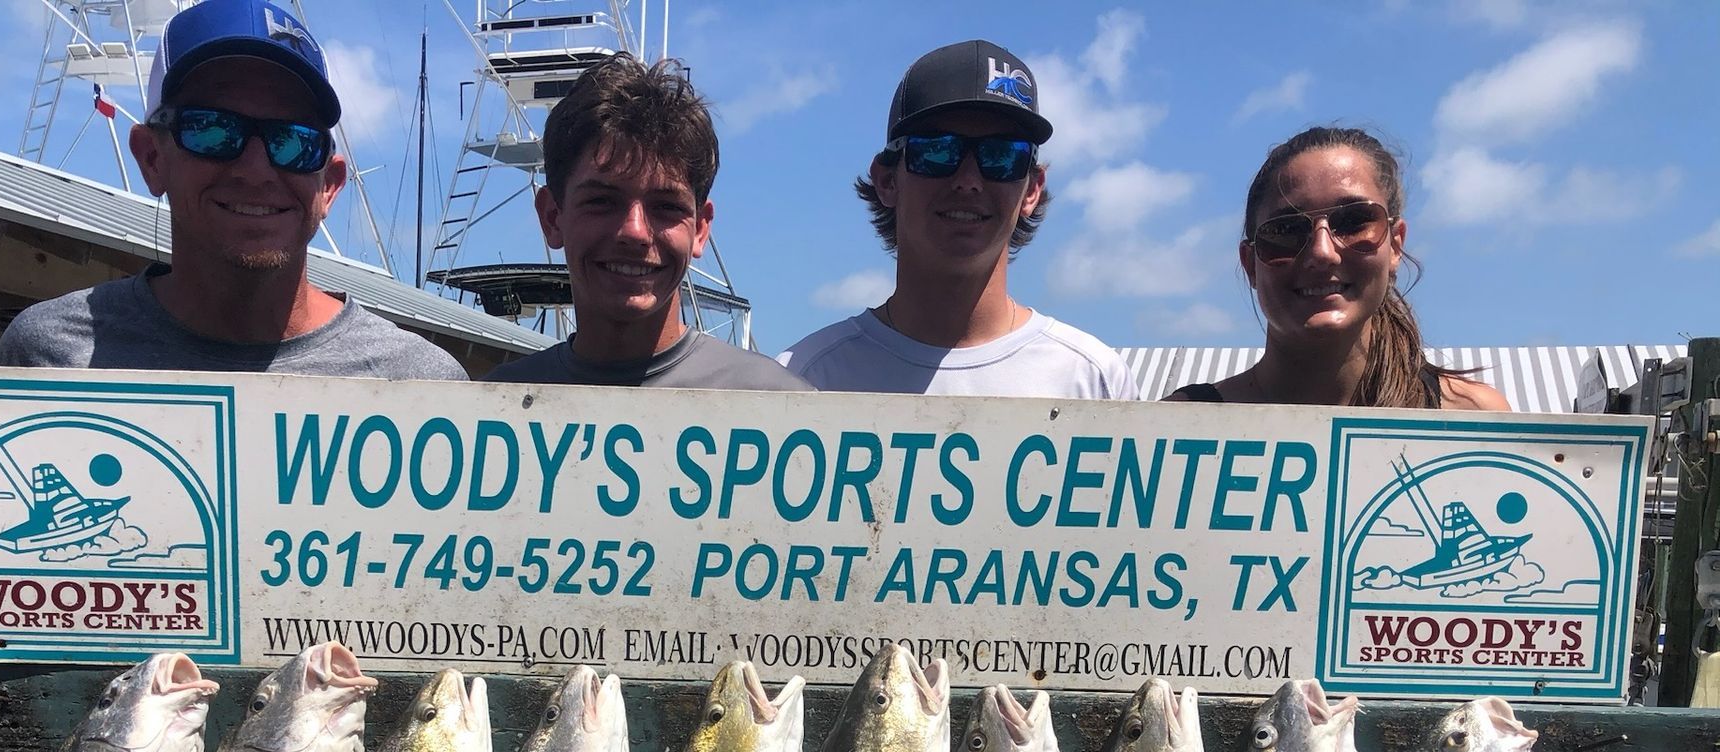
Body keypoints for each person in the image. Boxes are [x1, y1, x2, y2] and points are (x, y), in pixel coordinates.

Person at [0, 0, 468, 663]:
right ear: (152, 157)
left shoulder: (427, 385)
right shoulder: (49, 351)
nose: (257, 166)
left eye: (295, 141)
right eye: (214, 131)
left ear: (329, 181)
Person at [780, 39, 1132, 400]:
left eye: (1002, 156)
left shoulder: (1095, 382)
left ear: (1031, 189)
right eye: (937, 151)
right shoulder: (803, 381)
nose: (968, 181)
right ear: (887, 179)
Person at [483, 54, 807, 391]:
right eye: (602, 202)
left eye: (666, 207)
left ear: (700, 229)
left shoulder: (785, 409)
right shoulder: (487, 412)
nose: (635, 231)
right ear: (552, 217)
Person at [1166, 126, 1507, 409]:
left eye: (1355, 220)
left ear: (1396, 244)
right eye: (1285, 230)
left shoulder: (1474, 419)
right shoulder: (1174, 430)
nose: (1322, 252)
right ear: (1249, 263)